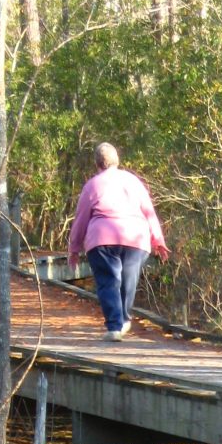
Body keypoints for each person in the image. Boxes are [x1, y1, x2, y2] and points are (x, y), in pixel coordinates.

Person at [67, 143, 169, 341]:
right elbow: (149, 212)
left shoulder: (93, 185)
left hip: (101, 240)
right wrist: (158, 240)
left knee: (108, 282)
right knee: (127, 279)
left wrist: (74, 248)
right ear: (117, 160)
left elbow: (81, 219)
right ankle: (123, 319)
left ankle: (115, 325)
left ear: (97, 163)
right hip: (135, 238)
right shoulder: (134, 181)